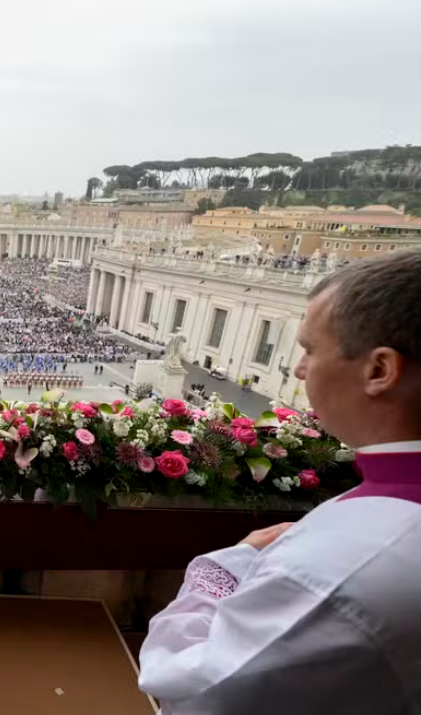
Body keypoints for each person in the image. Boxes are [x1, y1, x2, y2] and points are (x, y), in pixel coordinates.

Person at [139, 250, 421, 714]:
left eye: (310, 349)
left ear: (379, 370)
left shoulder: (338, 565)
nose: (299, 370)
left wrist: (231, 565)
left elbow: (190, 687)